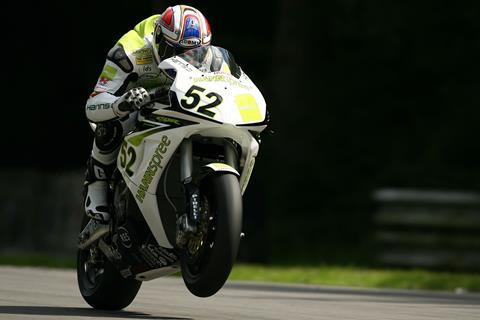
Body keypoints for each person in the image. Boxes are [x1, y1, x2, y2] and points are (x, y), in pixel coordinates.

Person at [83, 5, 212, 223]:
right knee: (112, 122)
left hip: (178, 104)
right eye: (176, 53)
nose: (185, 61)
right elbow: (93, 103)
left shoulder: (209, 56)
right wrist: (121, 104)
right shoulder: (129, 50)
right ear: (159, 39)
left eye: (194, 54)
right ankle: (97, 182)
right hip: (135, 106)